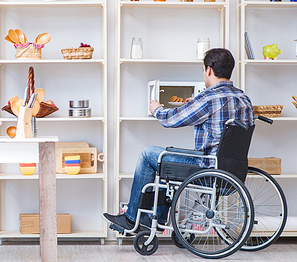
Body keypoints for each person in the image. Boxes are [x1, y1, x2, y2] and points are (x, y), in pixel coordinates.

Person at [103, 48, 254, 233]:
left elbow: (171, 119)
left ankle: (134, 217)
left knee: (148, 155)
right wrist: (194, 103)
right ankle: (151, 217)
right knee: (166, 162)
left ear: (208, 70)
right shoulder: (243, 98)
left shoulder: (209, 99)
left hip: (206, 169)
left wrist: (156, 109)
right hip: (232, 173)